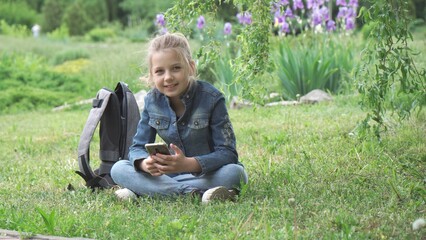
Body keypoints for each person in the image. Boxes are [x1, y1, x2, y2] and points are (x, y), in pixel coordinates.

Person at [110, 32, 248, 203]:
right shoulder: (152, 101)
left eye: (176, 68)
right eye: (160, 71)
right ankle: (194, 194)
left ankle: (146, 191)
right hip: (168, 173)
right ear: (152, 76)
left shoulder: (212, 99)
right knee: (118, 168)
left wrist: (188, 164)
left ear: (191, 67)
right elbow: (136, 148)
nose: (168, 77)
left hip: (207, 173)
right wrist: (144, 164)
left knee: (235, 173)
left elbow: (228, 154)